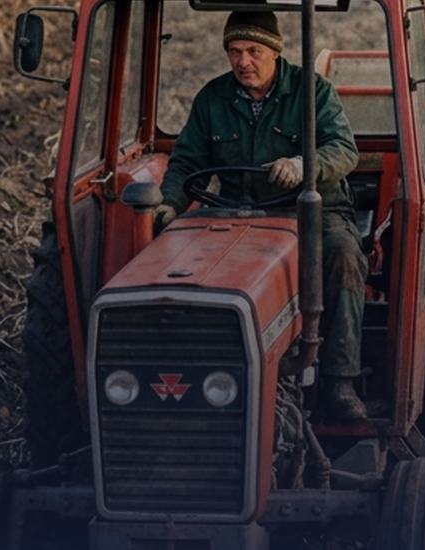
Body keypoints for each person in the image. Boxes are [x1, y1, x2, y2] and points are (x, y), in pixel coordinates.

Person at [155, 11, 368, 420]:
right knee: (187, 266)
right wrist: (169, 204)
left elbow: (344, 149)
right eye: (234, 51)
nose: (243, 62)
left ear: (275, 50)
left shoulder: (312, 91)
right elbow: (185, 162)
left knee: (342, 255)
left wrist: (304, 166)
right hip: (237, 211)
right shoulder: (213, 98)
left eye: (254, 51)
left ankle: (340, 381)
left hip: (309, 208)